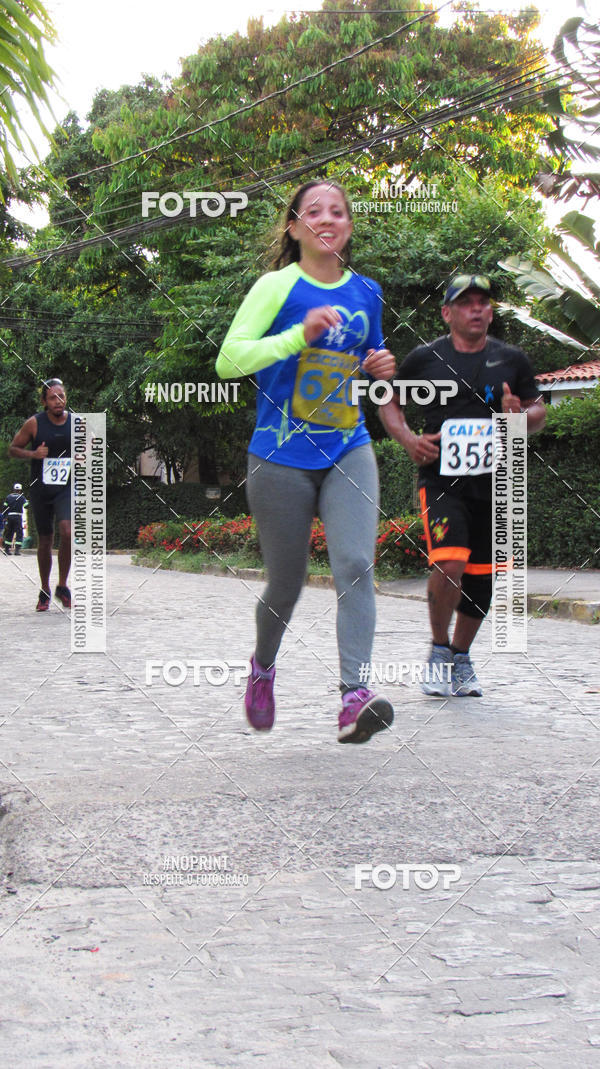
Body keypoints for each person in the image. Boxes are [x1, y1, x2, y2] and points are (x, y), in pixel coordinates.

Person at [216, 179, 396, 743]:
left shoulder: (367, 291)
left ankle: (353, 697)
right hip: (279, 456)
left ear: (348, 226)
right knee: (286, 582)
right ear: (294, 228)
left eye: (338, 211)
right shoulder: (277, 286)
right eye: (313, 211)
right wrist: (298, 334)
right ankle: (263, 667)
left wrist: (382, 372)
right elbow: (229, 360)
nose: (327, 218)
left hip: (349, 446)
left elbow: (371, 365)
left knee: (355, 565)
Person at [380, 273, 546, 697]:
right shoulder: (425, 359)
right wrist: (408, 439)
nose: (476, 309)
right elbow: (388, 399)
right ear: (447, 313)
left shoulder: (512, 359)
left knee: (483, 577)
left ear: (490, 312)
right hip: (441, 480)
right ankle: (437, 652)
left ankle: (461, 657)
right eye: (466, 303)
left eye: (483, 303)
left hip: (495, 483)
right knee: (448, 562)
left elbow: (538, 413)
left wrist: (516, 418)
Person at [9, 378, 72, 611]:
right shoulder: (34, 424)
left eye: (62, 396)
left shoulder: (75, 423)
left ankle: (62, 586)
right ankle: (45, 589)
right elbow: (13, 449)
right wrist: (34, 454)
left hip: (65, 488)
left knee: (67, 531)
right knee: (45, 538)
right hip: (41, 488)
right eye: (53, 397)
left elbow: (90, 446)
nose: (58, 401)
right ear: (45, 401)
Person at [2, 483, 28, 555]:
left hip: (9, 517)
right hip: (18, 517)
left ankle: (7, 550)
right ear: (20, 490)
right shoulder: (22, 497)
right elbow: (26, 506)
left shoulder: (8, 497)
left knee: (9, 532)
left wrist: (5, 517)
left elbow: (4, 508)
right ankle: (17, 551)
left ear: (14, 489)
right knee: (19, 533)